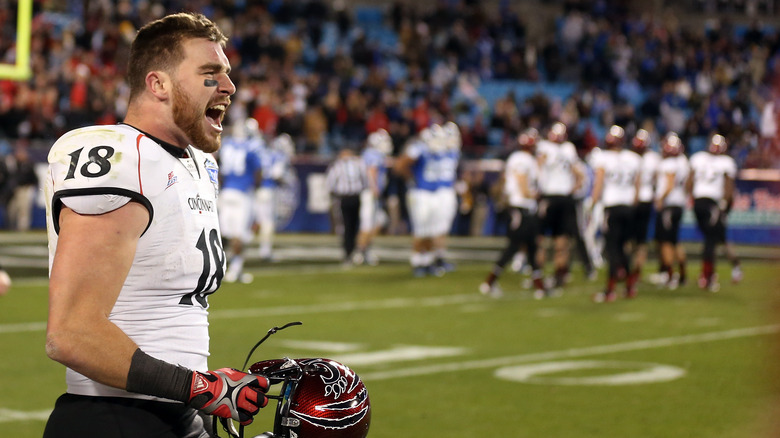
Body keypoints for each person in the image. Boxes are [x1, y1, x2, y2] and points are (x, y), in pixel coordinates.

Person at [42, 13, 270, 438]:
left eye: (227, 72)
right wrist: (203, 388)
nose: (229, 86)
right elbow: (71, 334)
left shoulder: (199, 162)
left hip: (176, 413)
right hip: (113, 421)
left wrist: (200, 396)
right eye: (209, 72)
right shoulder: (120, 158)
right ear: (158, 83)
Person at [479, 128, 547, 299]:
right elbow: (523, 187)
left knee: (532, 247)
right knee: (514, 247)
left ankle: (539, 286)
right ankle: (489, 282)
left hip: (524, 208)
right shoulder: (522, 159)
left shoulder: (522, 158)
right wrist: (535, 194)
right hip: (521, 208)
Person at [589, 126, 642, 302]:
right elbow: (637, 187)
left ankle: (610, 289)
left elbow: (599, 183)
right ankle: (628, 286)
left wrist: (593, 203)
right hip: (628, 207)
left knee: (612, 249)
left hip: (611, 207)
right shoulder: (633, 158)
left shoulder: (603, 158)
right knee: (622, 248)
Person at [688, 133, 741, 292]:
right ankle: (709, 276)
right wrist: (724, 205)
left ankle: (715, 273)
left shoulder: (698, 158)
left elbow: (689, 182)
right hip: (713, 204)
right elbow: (729, 187)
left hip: (699, 202)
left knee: (713, 239)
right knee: (713, 240)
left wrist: (690, 197)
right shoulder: (726, 162)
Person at [536, 122, 584, 291]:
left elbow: (538, 167)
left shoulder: (547, 147)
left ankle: (541, 276)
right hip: (563, 197)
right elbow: (579, 173)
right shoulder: (568, 148)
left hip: (551, 197)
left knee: (544, 239)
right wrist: (575, 186)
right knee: (560, 240)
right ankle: (558, 275)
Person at [393, 126, 446, 277]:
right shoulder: (419, 148)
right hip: (420, 194)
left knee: (431, 229)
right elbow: (399, 165)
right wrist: (411, 179)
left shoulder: (439, 152)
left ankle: (427, 261)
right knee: (421, 230)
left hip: (433, 194)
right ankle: (417, 262)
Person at [218, 117, 264, 283]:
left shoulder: (227, 145)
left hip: (227, 191)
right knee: (239, 234)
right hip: (243, 193)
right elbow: (258, 172)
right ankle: (235, 270)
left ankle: (221, 268)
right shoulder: (251, 147)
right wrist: (255, 187)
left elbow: (219, 169)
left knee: (225, 234)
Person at [650, 132, 690, 290]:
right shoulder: (683, 162)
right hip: (679, 204)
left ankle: (670, 275)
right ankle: (682, 274)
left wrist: (660, 199)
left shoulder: (669, 164)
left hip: (669, 205)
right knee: (674, 241)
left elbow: (669, 184)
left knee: (666, 242)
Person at [627, 128, 661, 292]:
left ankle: (628, 270)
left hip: (632, 200)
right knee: (640, 241)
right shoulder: (653, 158)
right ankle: (635, 271)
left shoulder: (629, 157)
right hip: (645, 200)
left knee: (630, 239)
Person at [354, 128, 392, 265]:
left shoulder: (371, 154)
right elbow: (372, 170)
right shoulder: (373, 154)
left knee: (379, 221)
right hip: (369, 193)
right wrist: (374, 187)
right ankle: (359, 252)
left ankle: (365, 249)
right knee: (368, 223)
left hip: (370, 193)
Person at [254, 133, 295, 261]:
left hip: (256, 190)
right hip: (268, 190)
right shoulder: (278, 156)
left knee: (255, 220)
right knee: (267, 223)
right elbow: (277, 174)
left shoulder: (263, 153)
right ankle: (265, 252)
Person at [326, 144, 369, 266]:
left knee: (347, 226)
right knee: (353, 226)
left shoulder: (337, 166)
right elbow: (365, 182)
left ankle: (349, 252)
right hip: (354, 197)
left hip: (344, 198)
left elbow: (330, 184)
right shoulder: (358, 164)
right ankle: (352, 251)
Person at [432, 121, 461, 273]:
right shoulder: (440, 153)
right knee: (439, 227)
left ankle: (438, 257)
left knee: (442, 227)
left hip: (443, 192)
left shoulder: (449, 152)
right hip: (440, 193)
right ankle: (436, 258)